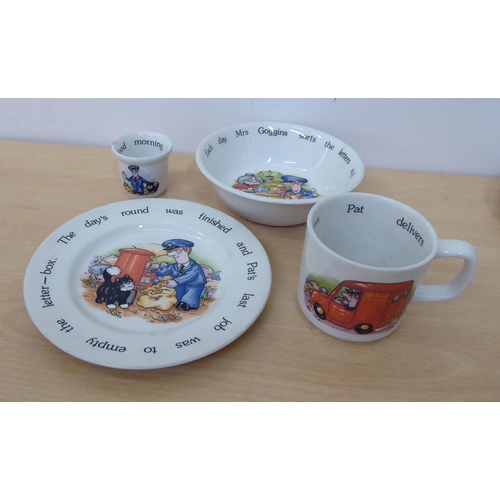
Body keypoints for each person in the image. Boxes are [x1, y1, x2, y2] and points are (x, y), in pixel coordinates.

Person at [154, 239, 207, 311]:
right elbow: (163, 271)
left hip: (194, 284)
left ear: (187, 249)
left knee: (191, 294)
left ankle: (188, 304)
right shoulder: (173, 266)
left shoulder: (195, 267)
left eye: (178, 250)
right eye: (171, 251)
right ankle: (179, 301)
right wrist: (151, 272)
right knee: (178, 294)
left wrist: (176, 281)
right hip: (179, 285)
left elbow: (189, 275)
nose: (175, 254)